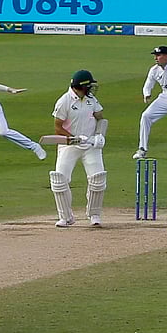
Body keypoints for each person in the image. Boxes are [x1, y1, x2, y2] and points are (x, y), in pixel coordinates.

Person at [48, 70, 109, 227]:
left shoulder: (91, 99)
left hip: (90, 146)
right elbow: (57, 128)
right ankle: (66, 217)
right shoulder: (64, 101)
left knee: (98, 179)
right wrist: (73, 138)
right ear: (81, 86)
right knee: (59, 179)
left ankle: (94, 215)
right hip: (69, 146)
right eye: (89, 86)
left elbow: (101, 118)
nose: (91, 88)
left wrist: (99, 136)